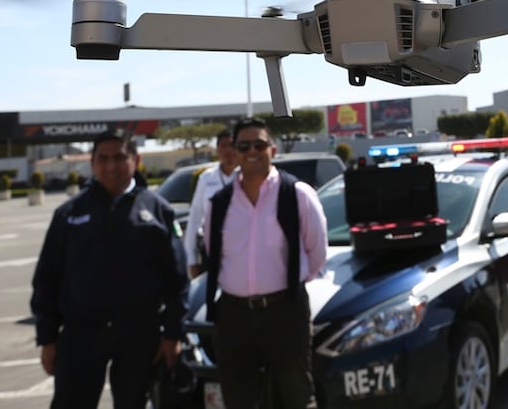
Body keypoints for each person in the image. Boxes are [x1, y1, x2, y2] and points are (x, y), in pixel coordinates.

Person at [31, 130, 188, 409]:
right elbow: (47, 278)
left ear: (136, 160)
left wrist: (172, 334)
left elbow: (177, 279)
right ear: (92, 163)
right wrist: (47, 337)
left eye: (119, 157)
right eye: (102, 159)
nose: (111, 166)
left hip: (139, 335)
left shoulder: (157, 211)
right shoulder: (69, 213)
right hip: (81, 334)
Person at [203, 117, 328, 409]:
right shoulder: (219, 203)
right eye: (244, 146)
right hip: (234, 316)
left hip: (285, 312)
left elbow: (317, 252)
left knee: (296, 395)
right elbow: (213, 252)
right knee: (238, 398)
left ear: (272, 149)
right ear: (234, 151)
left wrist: (286, 286)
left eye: (259, 145)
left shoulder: (296, 194)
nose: (252, 152)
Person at [184, 128, 239, 278]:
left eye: (232, 145)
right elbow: (195, 218)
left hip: (241, 250)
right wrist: (192, 259)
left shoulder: (247, 177)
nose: (228, 150)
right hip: (212, 250)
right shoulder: (206, 178)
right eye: (223, 146)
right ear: (217, 149)